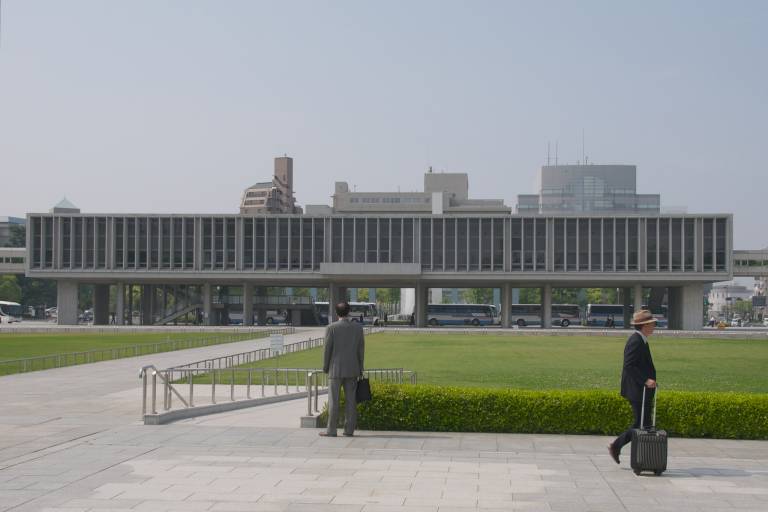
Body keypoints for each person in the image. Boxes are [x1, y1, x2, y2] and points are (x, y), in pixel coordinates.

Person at [608, 309, 657, 464]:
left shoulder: (641, 339)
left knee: (644, 423)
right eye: (652, 324)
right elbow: (629, 366)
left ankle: (644, 458)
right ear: (644, 326)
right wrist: (645, 380)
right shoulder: (636, 341)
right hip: (637, 389)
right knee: (641, 423)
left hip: (641, 390)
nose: (654, 326)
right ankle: (617, 446)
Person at [320, 301, 365, 437]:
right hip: (352, 369)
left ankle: (331, 430)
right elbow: (361, 350)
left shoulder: (331, 328)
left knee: (334, 400)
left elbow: (327, 350)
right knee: (351, 401)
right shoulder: (358, 328)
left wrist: (325, 366)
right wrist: (360, 367)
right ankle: (349, 430)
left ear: (336, 313)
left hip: (335, 369)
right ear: (349, 311)